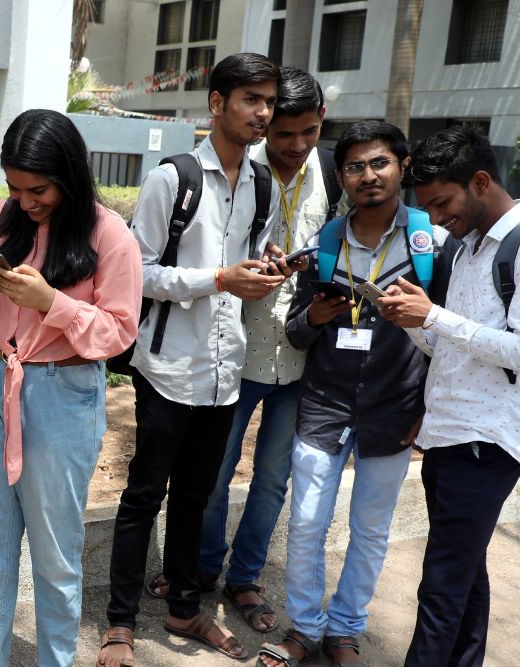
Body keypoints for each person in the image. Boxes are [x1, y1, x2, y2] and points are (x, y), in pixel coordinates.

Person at [98, 52, 290, 667]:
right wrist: (218, 278)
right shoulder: (172, 178)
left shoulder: (262, 183)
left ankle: (184, 608)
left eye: (269, 101)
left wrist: (265, 265)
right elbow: (138, 274)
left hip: (224, 368)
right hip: (167, 367)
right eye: (251, 100)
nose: (263, 112)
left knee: (197, 496)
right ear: (217, 104)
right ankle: (120, 622)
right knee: (144, 495)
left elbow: (247, 258)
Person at [377, 125, 520, 667]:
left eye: (442, 202)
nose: (437, 217)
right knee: (464, 575)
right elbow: (457, 346)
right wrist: (411, 319)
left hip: (486, 442)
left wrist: (436, 315)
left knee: (441, 585)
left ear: (481, 181)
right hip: (449, 433)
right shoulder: (467, 247)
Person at [257, 120, 455, 667]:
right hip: (324, 403)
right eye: (354, 167)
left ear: (402, 167)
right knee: (306, 520)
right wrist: (315, 317)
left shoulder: (433, 244)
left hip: (396, 407)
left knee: (371, 528)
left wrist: (428, 413)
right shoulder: (324, 242)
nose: (367, 175)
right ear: (341, 177)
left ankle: (345, 630)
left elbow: (451, 336)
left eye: (379, 163)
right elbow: (296, 331)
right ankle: (303, 628)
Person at [0, 109, 141, 667]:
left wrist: (51, 304)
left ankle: (55, 660)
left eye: (38, 189)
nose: (25, 201)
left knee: (56, 554)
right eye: (14, 187)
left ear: (69, 175)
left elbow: (119, 333)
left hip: (63, 391)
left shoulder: (109, 234)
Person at [193, 65, 342, 635]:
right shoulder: (238, 171)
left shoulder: (332, 176)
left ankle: (245, 578)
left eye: (309, 133)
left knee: (274, 477)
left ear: (320, 122)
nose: (298, 146)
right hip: (235, 353)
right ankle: (204, 571)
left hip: (303, 357)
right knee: (216, 471)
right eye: (285, 134)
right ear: (264, 123)